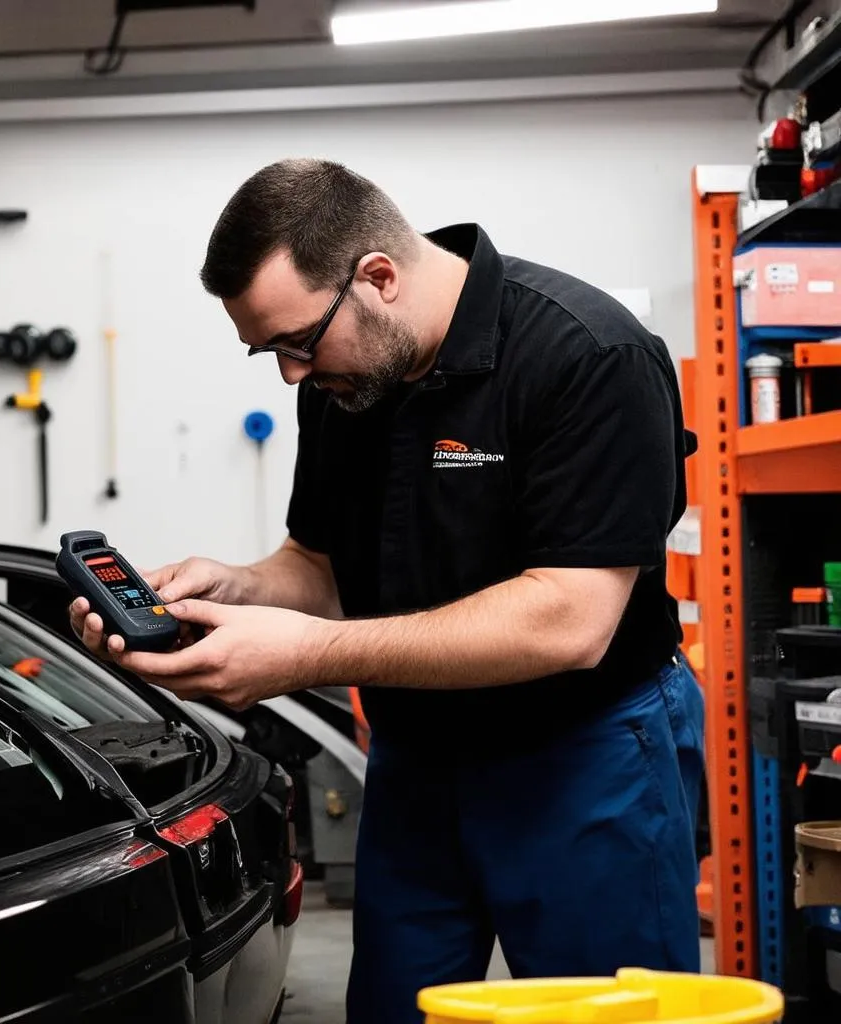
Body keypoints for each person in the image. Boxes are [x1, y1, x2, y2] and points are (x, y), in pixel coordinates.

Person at [69, 158, 706, 1024]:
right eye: (270, 353)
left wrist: (305, 658)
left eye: (298, 342)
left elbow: (571, 620)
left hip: (584, 756)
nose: (292, 374)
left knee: (606, 1018)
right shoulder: (346, 381)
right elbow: (322, 568)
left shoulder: (589, 355)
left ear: (378, 277)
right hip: (418, 762)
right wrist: (239, 587)